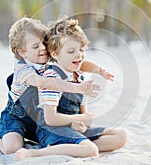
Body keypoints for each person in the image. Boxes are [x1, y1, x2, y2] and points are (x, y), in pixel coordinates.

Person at [15, 17, 127, 160]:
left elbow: (83, 114)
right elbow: (50, 119)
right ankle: (35, 153)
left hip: (72, 128)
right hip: (52, 130)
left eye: (81, 49)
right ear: (55, 54)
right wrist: (77, 119)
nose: (78, 54)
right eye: (71, 51)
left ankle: (73, 147)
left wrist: (82, 124)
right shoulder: (52, 78)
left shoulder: (79, 75)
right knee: (91, 150)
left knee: (121, 135)